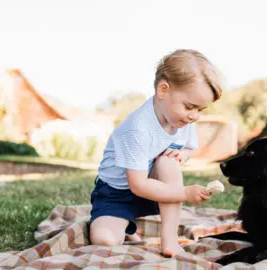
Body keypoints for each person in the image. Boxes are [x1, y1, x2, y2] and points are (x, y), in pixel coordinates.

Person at [89, 49, 224, 258]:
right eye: (190, 107)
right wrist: (186, 193)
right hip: (117, 193)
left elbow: (188, 147)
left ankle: (169, 239)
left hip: (155, 187)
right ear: (163, 90)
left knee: (168, 163)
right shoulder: (138, 129)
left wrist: (183, 156)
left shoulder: (181, 119)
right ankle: (123, 225)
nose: (195, 116)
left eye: (201, 110)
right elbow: (138, 185)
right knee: (104, 241)